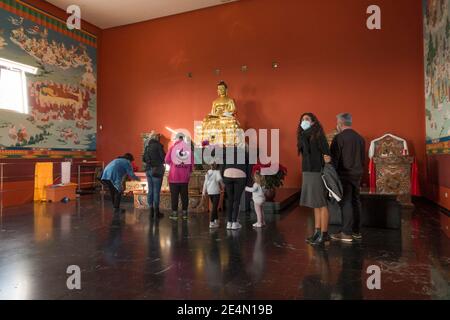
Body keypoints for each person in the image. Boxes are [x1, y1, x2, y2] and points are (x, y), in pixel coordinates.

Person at [330, 113, 365, 243]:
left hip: (344, 175)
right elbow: (362, 158)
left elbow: (334, 160)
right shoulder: (360, 138)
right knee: (356, 201)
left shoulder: (339, 138)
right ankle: (356, 232)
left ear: (340, 123)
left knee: (346, 203)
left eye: (336, 122)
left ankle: (346, 233)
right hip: (357, 174)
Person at [297, 113, 332, 246]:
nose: (304, 121)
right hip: (307, 172)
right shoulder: (303, 136)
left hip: (317, 172)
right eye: (302, 119)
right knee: (315, 203)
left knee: (321, 203)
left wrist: (326, 162)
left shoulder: (318, 135)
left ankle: (324, 234)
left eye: (307, 119)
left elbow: (327, 154)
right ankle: (317, 232)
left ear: (313, 122)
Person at [165, 133, 194, 220]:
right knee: (184, 196)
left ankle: (174, 214)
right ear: (183, 139)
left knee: (174, 196)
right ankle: (185, 214)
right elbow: (192, 163)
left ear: (176, 139)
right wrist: (188, 170)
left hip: (174, 177)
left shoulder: (172, 148)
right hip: (184, 178)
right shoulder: (188, 149)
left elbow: (166, 160)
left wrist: (172, 164)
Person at [222, 142, 250, 230]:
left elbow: (222, 165)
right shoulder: (245, 153)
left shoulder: (229, 151)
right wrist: (247, 181)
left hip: (227, 174)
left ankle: (229, 223)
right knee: (237, 200)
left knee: (230, 199)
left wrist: (223, 177)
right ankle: (235, 222)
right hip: (240, 175)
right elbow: (249, 168)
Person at [143, 132, 166, 218]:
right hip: (156, 170)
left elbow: (143, 158)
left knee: (150, 190)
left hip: (148, 170)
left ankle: (151, 211)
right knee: (156, 191)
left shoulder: (147, 147)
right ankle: (156, 212)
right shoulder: (158, 146)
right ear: (157, 139)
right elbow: (164, 157)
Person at [202, 163, 224, 229]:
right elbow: (219, 180)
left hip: (210, 192)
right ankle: (211, 222)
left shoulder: (208, 172)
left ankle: (216, 220)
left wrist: (203, 192)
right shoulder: (217, 172)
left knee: (214, 206)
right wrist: (223, 185)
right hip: (216, 192)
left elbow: (205, 183)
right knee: (214, 208)